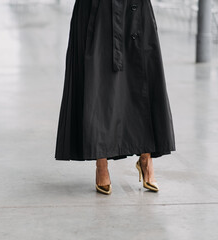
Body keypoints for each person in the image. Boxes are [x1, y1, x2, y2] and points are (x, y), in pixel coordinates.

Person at [54, 0, 176, 195]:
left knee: (140, 80)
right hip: (95, 8)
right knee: (97, 84)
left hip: (134, 8)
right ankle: (100, 163)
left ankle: (146, 158)